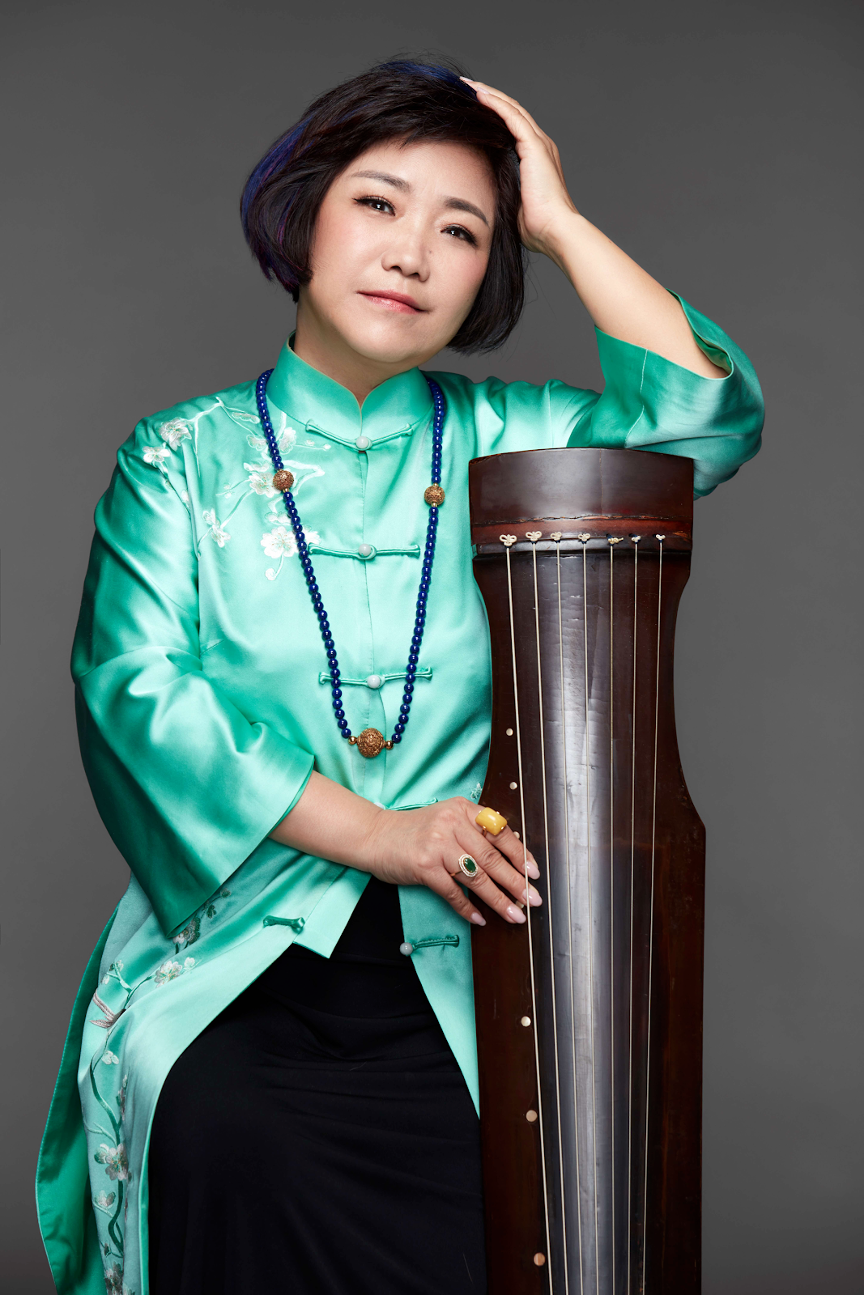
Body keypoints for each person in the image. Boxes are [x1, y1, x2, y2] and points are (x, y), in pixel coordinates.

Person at [36, 60, 762, 1296]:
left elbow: (706, 422)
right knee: (225, 1138)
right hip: (239, 945)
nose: (412, 254)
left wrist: (560, 221)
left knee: (525, 1185)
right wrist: (378, 835)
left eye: (463, 230)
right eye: (378, 204)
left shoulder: (520, 438)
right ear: (306, 215)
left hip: (474, 960)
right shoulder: (179, 460)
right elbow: (137, 695)